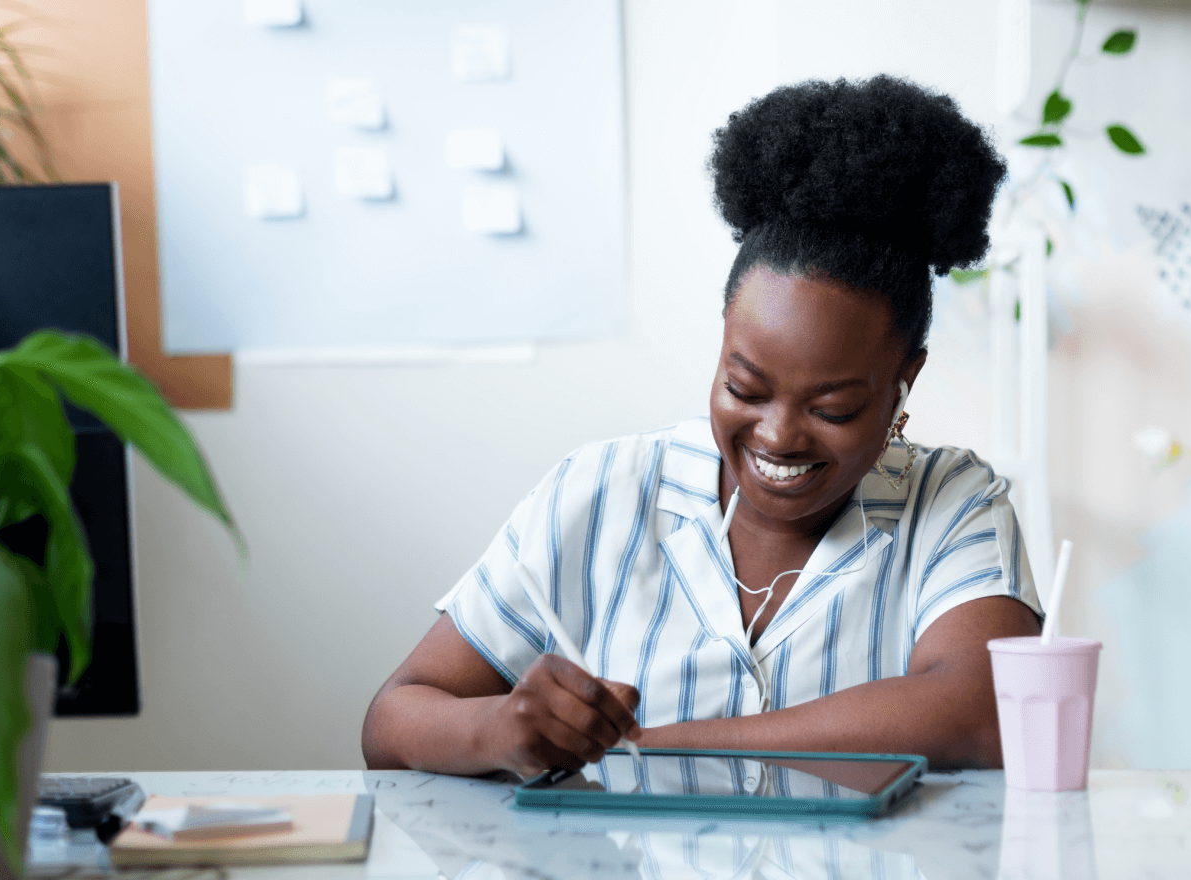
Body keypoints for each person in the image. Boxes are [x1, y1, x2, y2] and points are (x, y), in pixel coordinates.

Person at [361, 76, 1043, 778]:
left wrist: (654, 746)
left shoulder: (954, 505)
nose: (777, 436)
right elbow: (392, 721)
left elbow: (981, 712)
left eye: (832, 408)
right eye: (744, 386)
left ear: (907, 379)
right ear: (721, 342)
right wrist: (496, 729)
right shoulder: (602, 491)